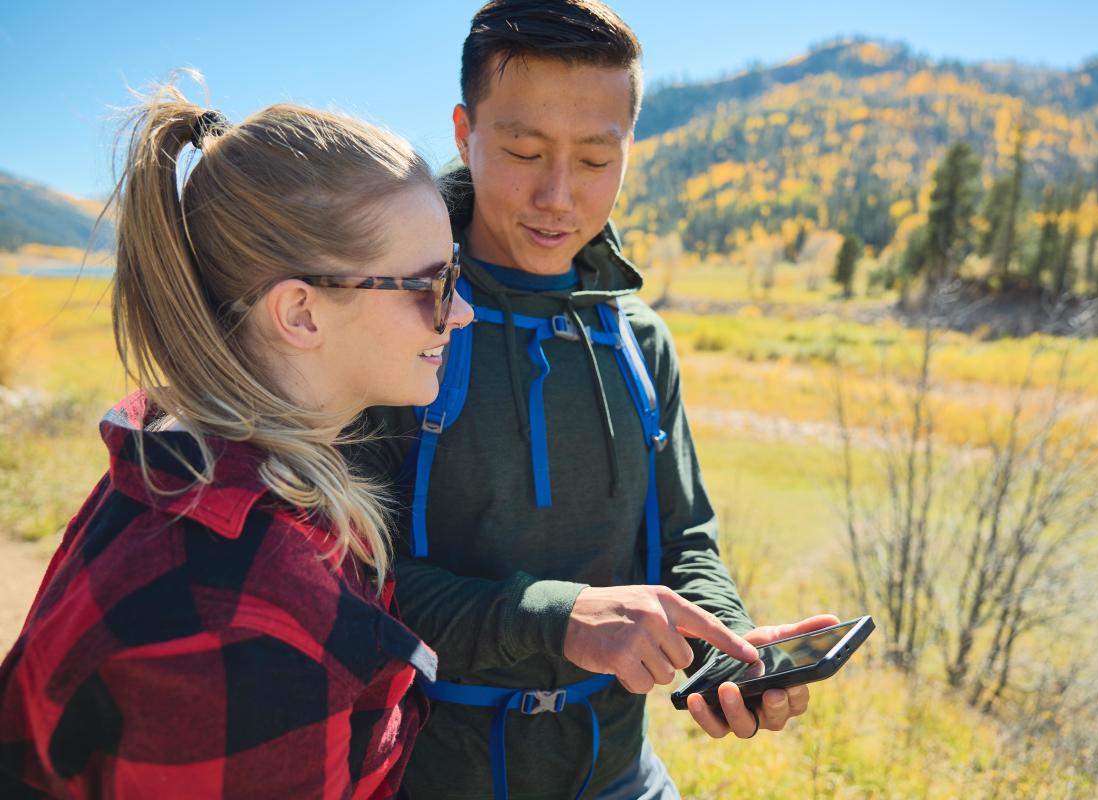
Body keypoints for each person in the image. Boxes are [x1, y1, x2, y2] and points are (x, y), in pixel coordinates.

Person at [351, 2, 839, 797]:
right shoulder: (393, 322)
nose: (556, 195)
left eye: (593, 160)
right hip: (424, 776)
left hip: (618, 775)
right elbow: (350, 581)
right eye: (522, 149)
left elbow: (685, 541)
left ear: (628, 150)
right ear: (463, 131)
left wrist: (724, 651)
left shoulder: (637, 342)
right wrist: (558, 618)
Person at [0, 83, 473, 797]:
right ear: (301, 314)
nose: (460, 312)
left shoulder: (178, 457)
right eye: (432, 284)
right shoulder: (245, 622)